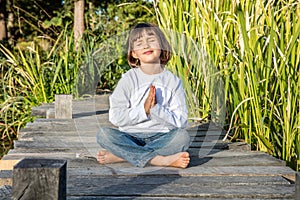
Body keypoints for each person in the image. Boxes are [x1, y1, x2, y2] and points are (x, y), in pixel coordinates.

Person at [96, 22, 190, 168]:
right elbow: (115, 117)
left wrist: (156, 110)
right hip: (130, 136)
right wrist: (144, 111)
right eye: (139, 43)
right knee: (104, 134)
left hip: (162, 136)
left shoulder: (173, 81)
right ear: (134, 53)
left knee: (182, 138)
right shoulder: (128, 79)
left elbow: (181, 122)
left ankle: (124, 156)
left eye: (151, 40)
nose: (146, 45)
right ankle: (160, 160)